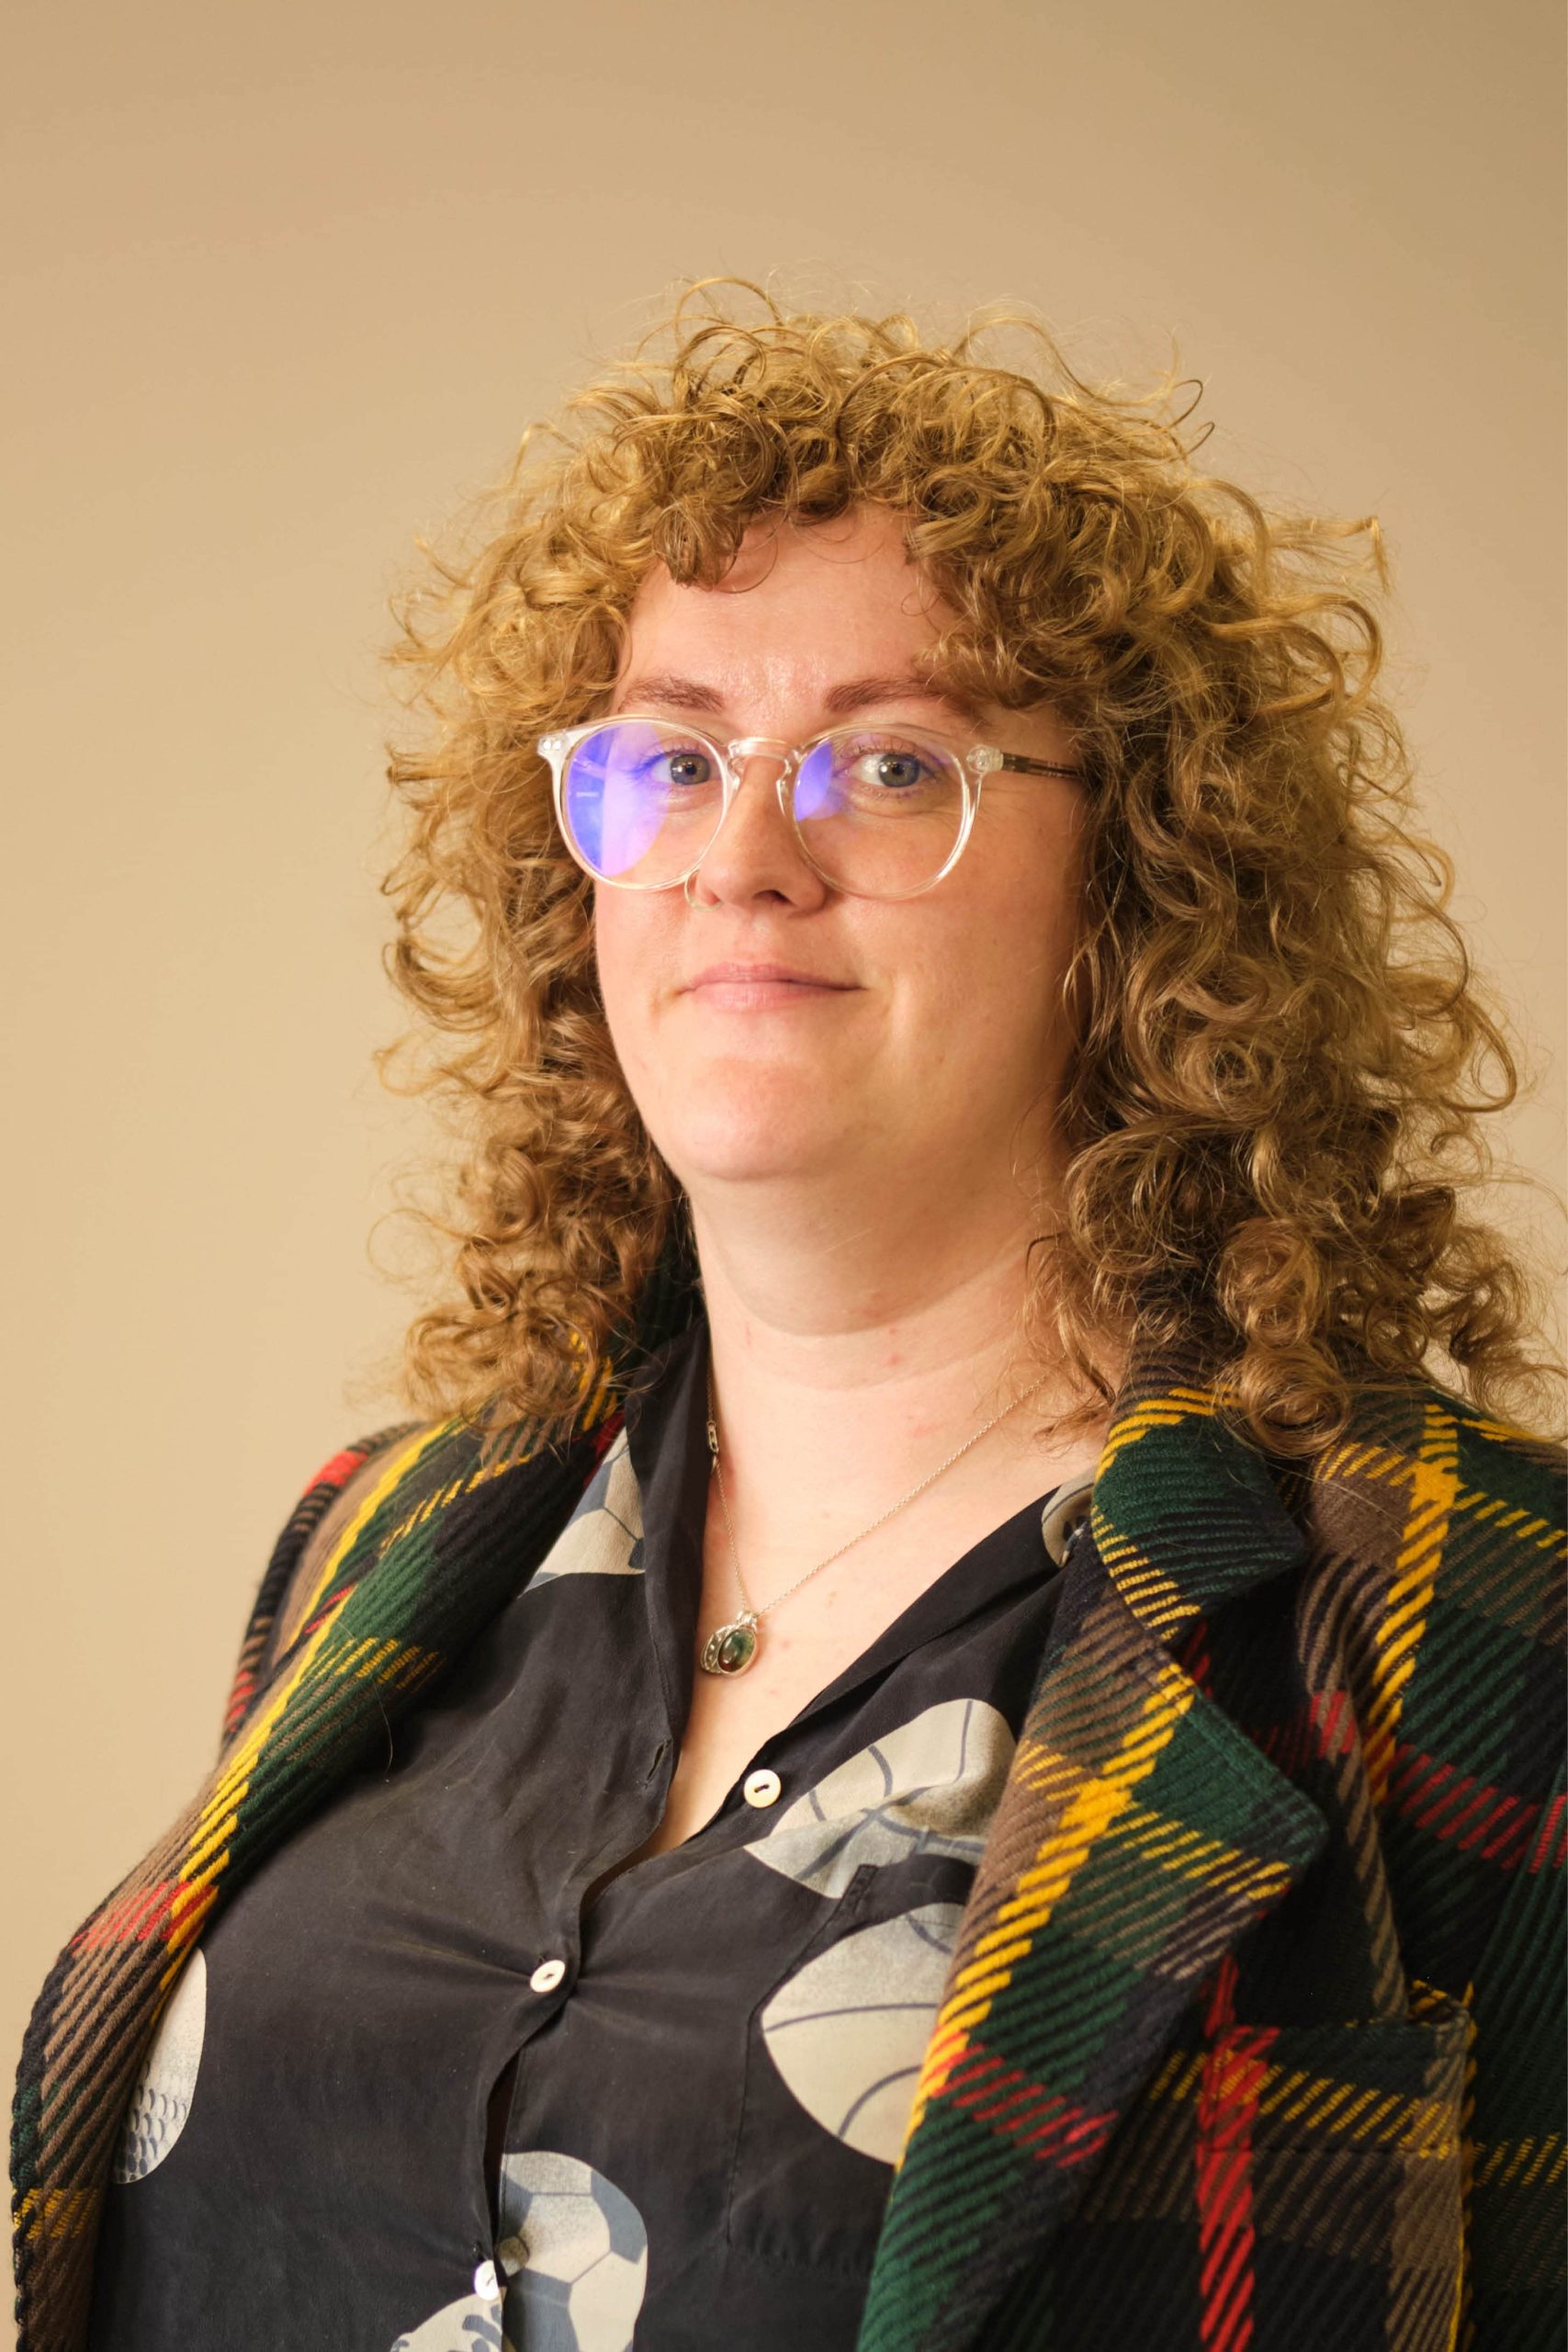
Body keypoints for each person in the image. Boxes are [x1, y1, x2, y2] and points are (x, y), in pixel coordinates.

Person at [12, 282, 1565, 2352]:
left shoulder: (1457, 1611)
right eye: (666, 757)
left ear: (1139, 884)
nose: (742, 853)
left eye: (885, 760)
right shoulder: (378, 1541)